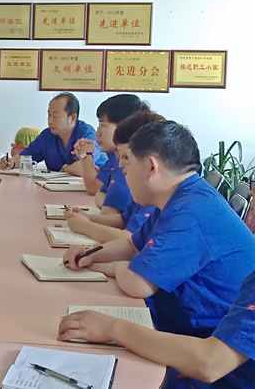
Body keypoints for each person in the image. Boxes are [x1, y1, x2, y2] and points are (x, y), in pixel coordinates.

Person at [63, 121, 255, 367]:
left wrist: (112, 326)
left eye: (127, 163)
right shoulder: (179, 197)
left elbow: (138, 284)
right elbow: (133, 245)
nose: (123, 171)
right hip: (186, 325)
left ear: (151, 166)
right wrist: (92, 254)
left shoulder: (191, 211)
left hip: (204, 340)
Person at [58, 270, 255, 388]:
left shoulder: (190, 215)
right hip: (213, 355)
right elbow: (131, 245)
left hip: (215, 370)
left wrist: (111, 328)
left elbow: (209, 363)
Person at [66, 111, 161, 243]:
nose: (120, 164)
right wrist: (87, 217)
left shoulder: (159, 196)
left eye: (126, 157)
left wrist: (85, 226)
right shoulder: (145, 190)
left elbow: (131, 241)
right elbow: (123, 219)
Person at [0, 92, 106, 174]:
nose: (50, 121)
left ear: (72, 117)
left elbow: (85, 167)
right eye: (49, 115)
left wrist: (66, 168)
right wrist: (11, 162)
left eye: (55, 116)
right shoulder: (47, 136)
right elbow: (25, 157)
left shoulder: (86, 133)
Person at [73, 94, 149, 199]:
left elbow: (94, 187)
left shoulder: (128, 159)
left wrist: (86, 155)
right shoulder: (113, 155)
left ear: (124, 126)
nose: (98, 133)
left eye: (103, 125)